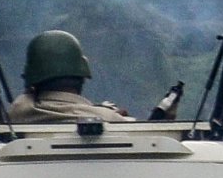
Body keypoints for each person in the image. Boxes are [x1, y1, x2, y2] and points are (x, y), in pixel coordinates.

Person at [7, 31, 135, 124]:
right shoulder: (110, 119)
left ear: (31, 81)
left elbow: (20, 105)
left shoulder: (19, 117)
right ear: (83, 77)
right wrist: (104, 111)